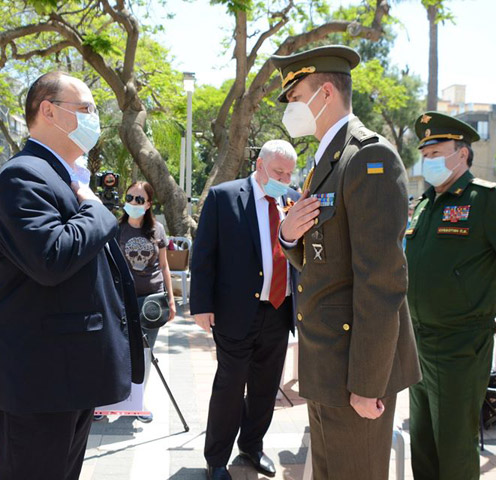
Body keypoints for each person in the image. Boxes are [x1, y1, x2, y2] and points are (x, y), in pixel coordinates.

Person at [0, 71, 144, 480]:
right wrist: (95, 211)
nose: (93, 118)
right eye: (85, 109)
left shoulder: (62, 174)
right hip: (39, 381)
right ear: (48, 111)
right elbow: (50, 258)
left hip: (67, 373)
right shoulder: (24, 175)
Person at [273, 45, 421, 479]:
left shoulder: (368, 158)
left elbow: (382, 283)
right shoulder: (327, 160)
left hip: (354, 368)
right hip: (326, 361)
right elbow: (322, 252)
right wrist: (288, 236)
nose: (291, 108)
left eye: (296, 96)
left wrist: (367, 384)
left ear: (326, 93)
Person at [191, 139, 300, 480]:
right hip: (235, 310)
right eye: (278, 171)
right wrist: (201, 305)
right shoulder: (224, 197)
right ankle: (217, 459)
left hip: (279, 309)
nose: (284, 178)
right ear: (259, 165)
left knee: (266, 387)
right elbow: (204, 253)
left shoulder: (293, 200)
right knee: (230, 384)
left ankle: (252, 446)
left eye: (289, 172)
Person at [406, 112, 496, 480]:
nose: (429, 162)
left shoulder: (485, 200)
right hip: (417, 341)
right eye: (425, 155)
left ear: (462, 154)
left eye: (437, 153)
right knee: (422, 442)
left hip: (460, 344)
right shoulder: (425, 204)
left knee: (455, 446)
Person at [117, 180, 176, 423]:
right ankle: (115, 398)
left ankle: (137, 401)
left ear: (149, 204)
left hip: (151, 300)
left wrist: (171, 300)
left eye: (139, 200)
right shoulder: (115, 229)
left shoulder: (157, 230)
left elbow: (164, 265)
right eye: (130, 197)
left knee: (144, 352)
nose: (133, 203)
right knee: (120, 349)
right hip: (122, 298)